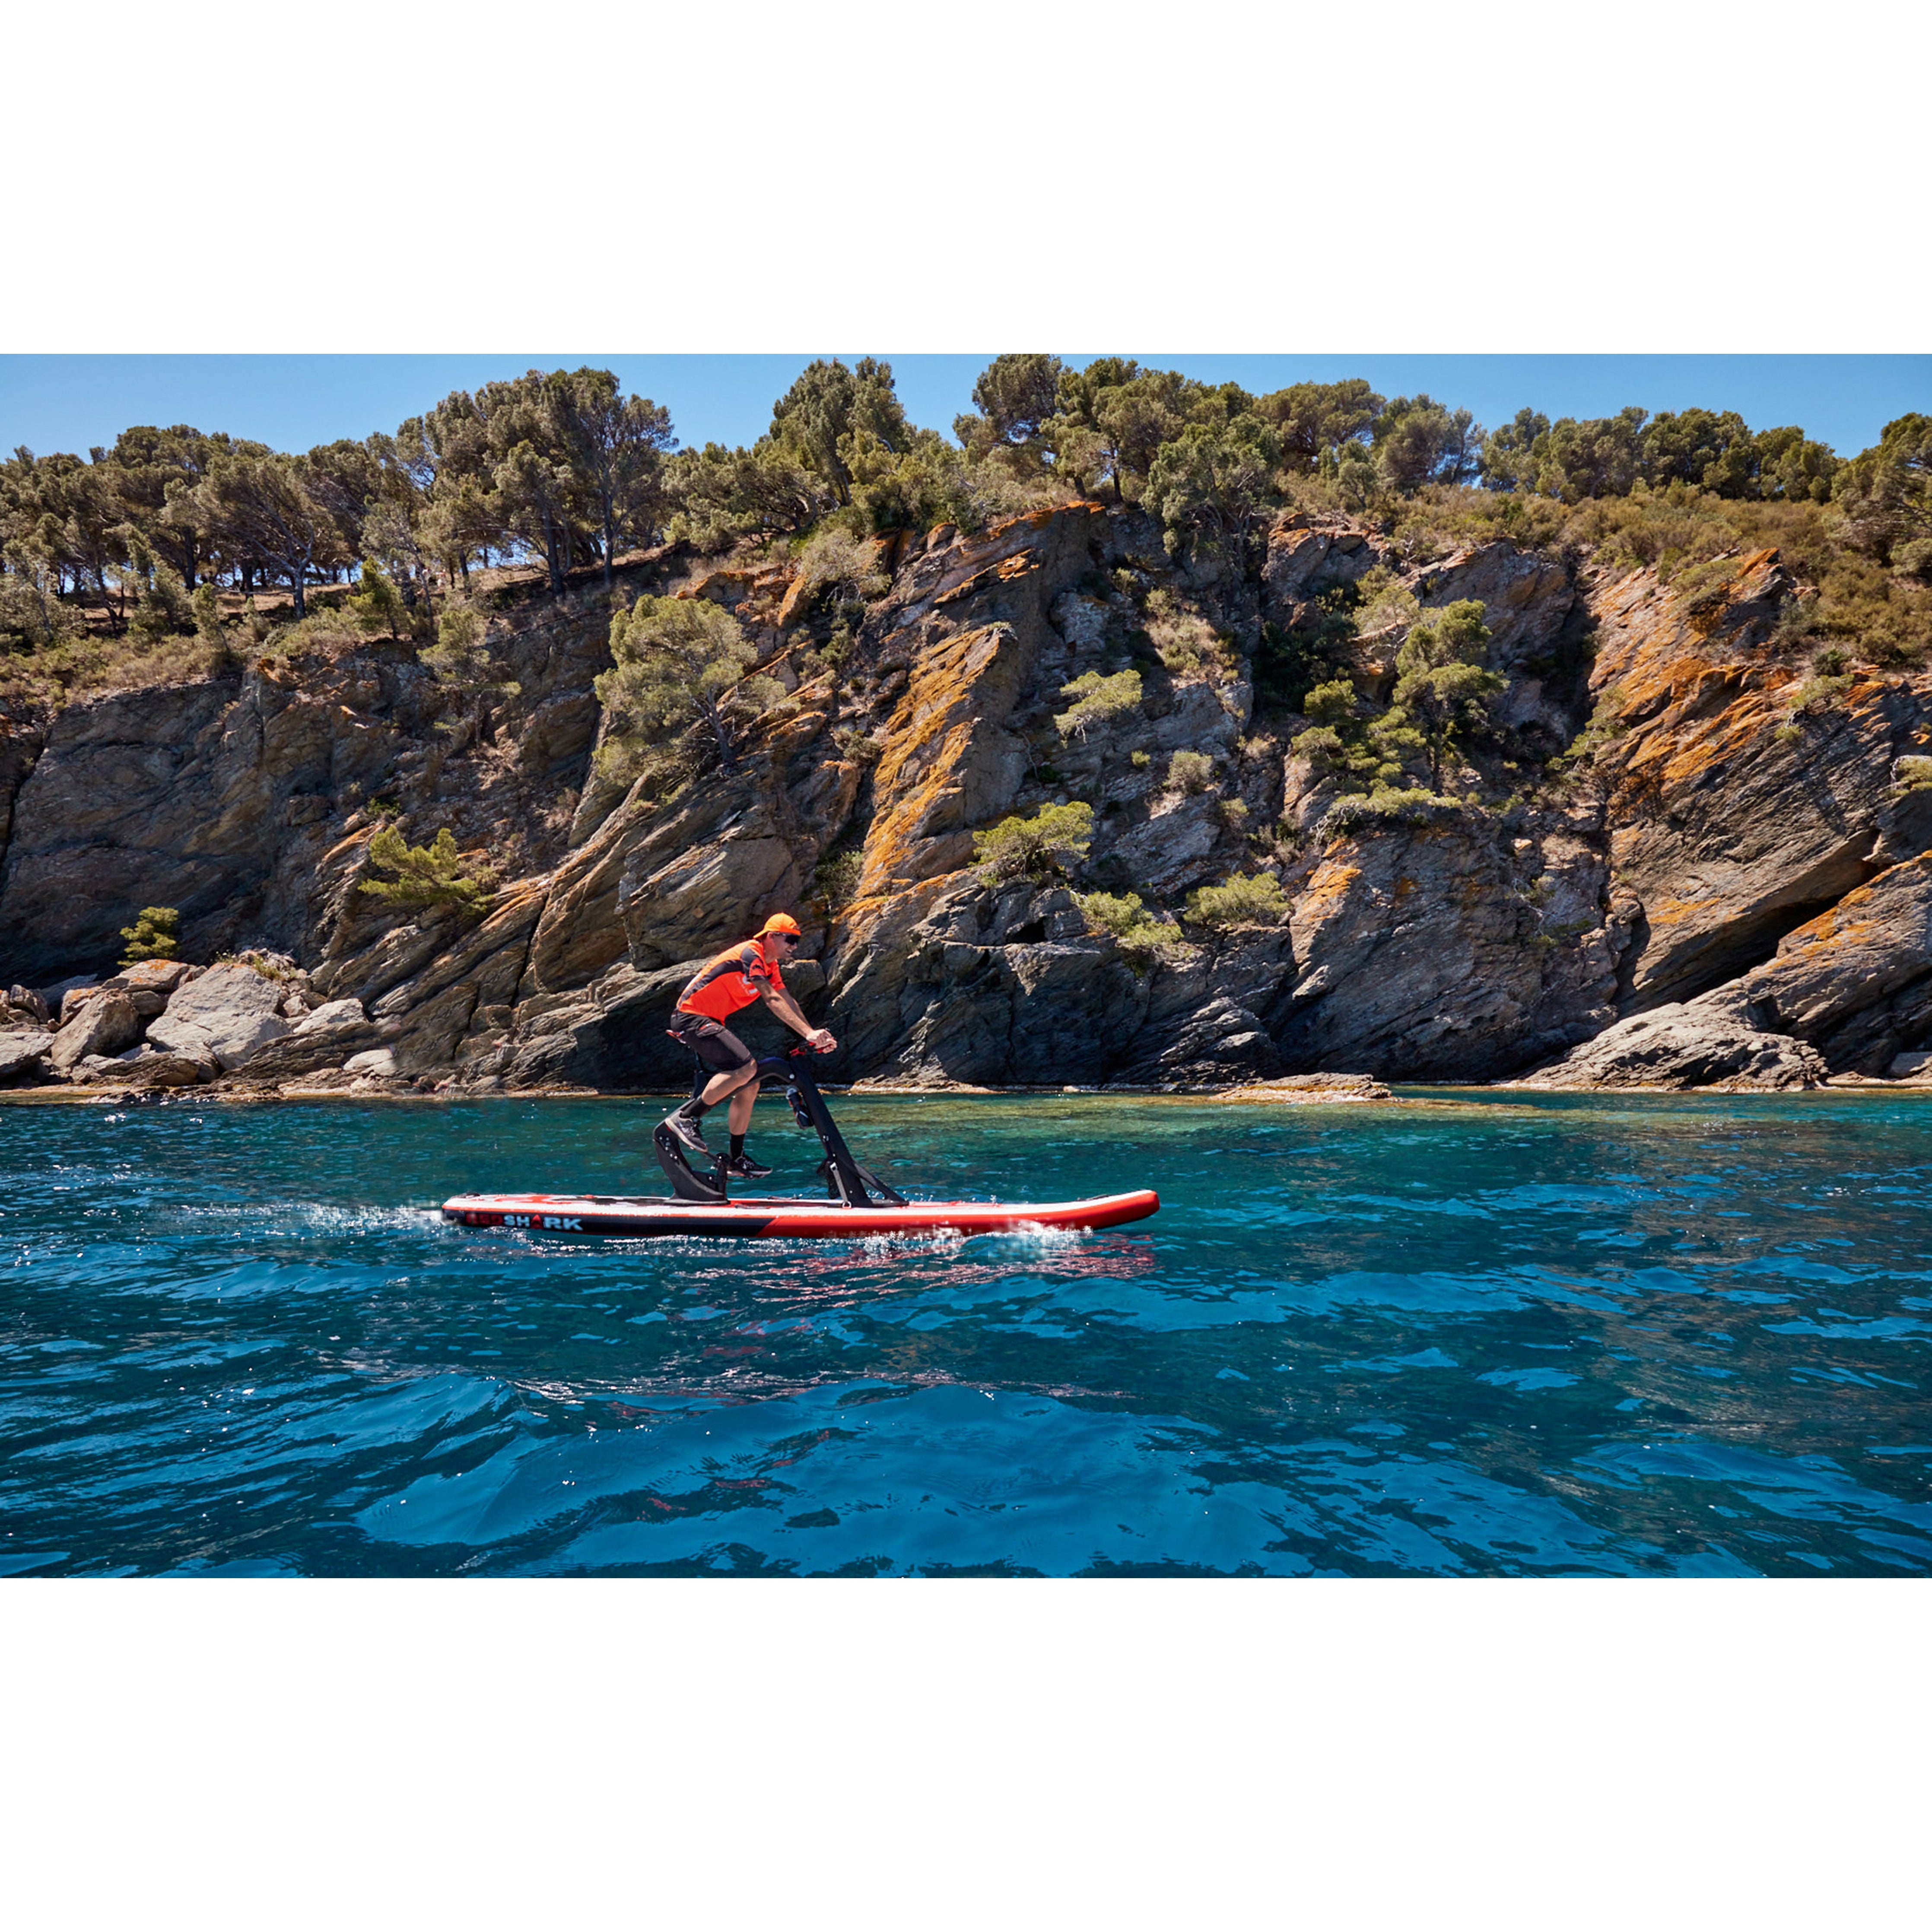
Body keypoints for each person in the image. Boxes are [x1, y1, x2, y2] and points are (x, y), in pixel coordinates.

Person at [662, 912, 836, 1179]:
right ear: (772, 937)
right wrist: (809, 1034)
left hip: (709, 1020)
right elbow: (771, 999)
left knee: (751, 1082)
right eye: (791, 940)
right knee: (746, 1068)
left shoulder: (771, 966)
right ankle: (686, 1118)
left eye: (798, 941)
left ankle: (736, 1159)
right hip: (690, 1017)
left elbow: (787, 1000)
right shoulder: (751, 954)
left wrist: (813, 1033)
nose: (795, 947)